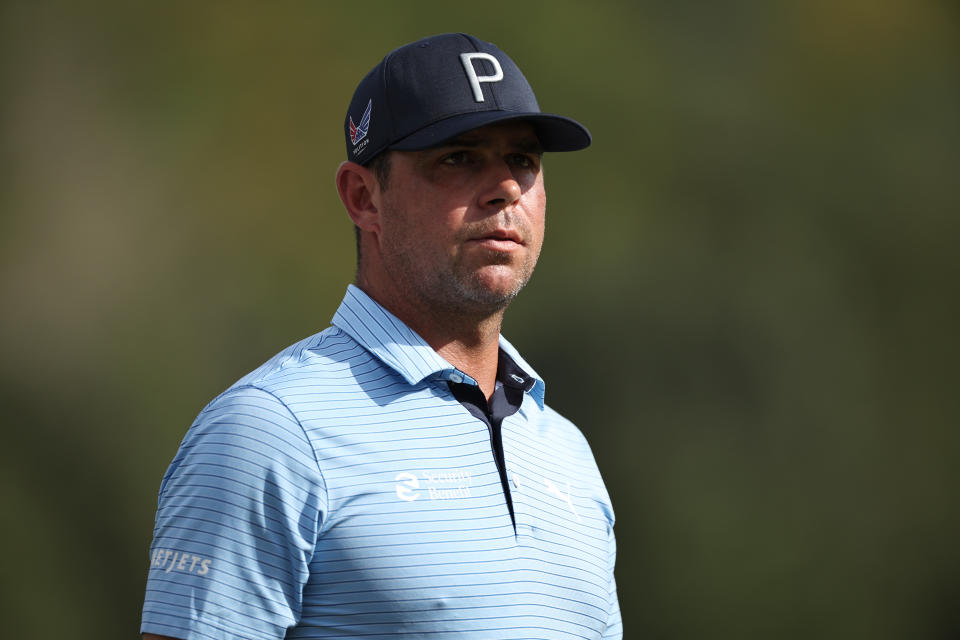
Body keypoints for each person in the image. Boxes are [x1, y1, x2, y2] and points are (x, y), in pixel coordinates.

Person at [141, 32, 621, 639]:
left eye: (522, 160)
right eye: (459, 158)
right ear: (362, 197)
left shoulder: (567, 451)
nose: (505, 188)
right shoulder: (269, 431)